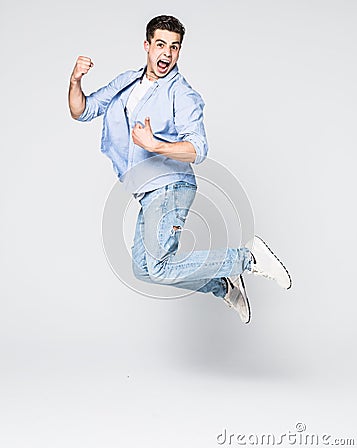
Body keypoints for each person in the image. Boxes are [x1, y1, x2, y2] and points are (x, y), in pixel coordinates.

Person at [68, 15, 291, 324]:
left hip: (171, 185)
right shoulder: (127, 82)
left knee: (160, 266)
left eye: (174, 47)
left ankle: (247, 258)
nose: (167, 54)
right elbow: (83, 110)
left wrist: (155, 145)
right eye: (161, 45)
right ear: (147, 46)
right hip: (147, 192)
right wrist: (75, 81)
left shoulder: (181, 94)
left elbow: (198, 149)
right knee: (144, 269)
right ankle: (222, 284)